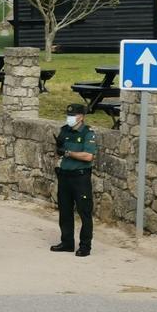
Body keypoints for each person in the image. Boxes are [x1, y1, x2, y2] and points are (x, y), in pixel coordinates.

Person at [52, 104, 97, 257]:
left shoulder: (87, 133)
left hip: (80, 177)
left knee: (84, 211)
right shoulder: (64, 130)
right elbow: (58, 151)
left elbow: (88, 156)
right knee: (64, 211)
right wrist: (57, 159)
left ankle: (85, 245)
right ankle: (67, 242)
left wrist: (68, 153)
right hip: (64, 175)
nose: (70, 117)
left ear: (81, 117)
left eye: (74, 115)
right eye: (69, 114)